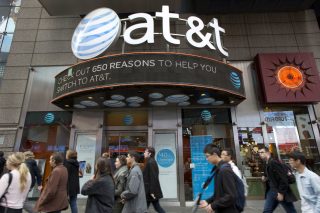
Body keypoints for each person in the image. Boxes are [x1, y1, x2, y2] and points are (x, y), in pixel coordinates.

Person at [199, 144, 239, 213]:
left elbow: (231, 196)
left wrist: (213, 205)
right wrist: (208, 201)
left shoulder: (224, 170)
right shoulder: (218, 168)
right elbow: (220, 193)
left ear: (214, 154)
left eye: (207, 156)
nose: (207, 159)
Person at [258, 147, 297, 213]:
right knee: (267, 210)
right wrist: (265, 177)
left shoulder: (274, 162)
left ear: (268, 153)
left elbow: (283, 178)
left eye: (262, 152)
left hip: (279, 190)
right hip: (272, 190)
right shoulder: (266, 163)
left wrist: (281, 193)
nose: (260, 154)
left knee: (290, 210)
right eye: (259, 153)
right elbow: (270, 174)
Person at [143, 147, 165, 213]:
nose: (144, 153)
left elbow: (153, 177)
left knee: (145, 208)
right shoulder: (150, 161)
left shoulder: (150, 162)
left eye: (145, 152)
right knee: (156, 207)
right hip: (150, 191)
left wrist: (152, 191)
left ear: (149, 153)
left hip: (150, 191)